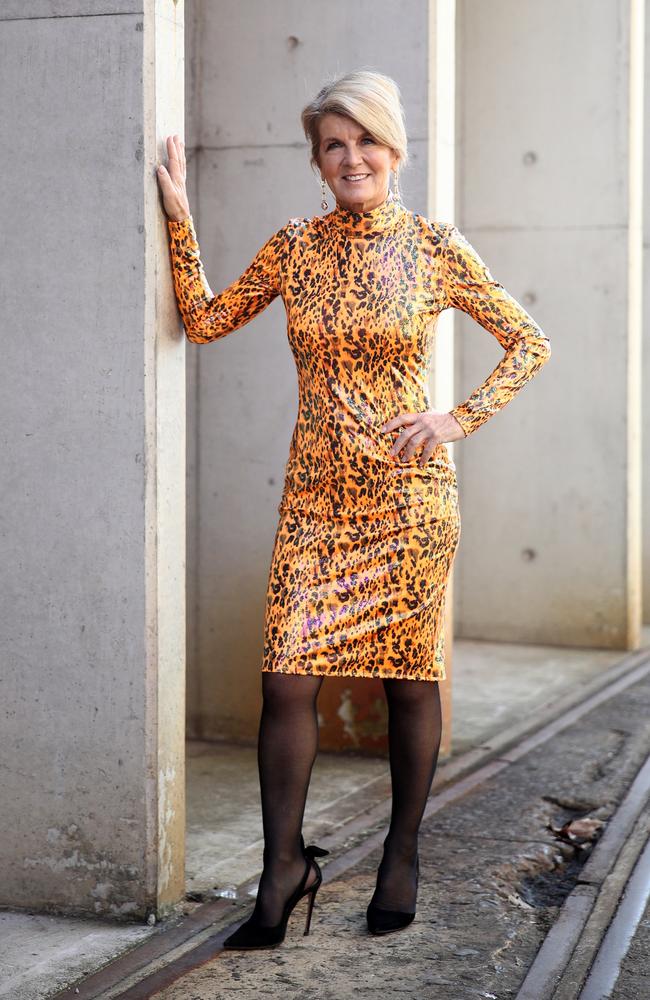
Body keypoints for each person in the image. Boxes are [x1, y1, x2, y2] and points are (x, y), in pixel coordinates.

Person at [156, 69, 551, 948]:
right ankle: (283, 867)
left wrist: (457, 417)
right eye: (333, 145)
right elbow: (207, 319)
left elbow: (530, 342)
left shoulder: (435, 247)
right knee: (285, 680)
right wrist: (179, 223)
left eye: (365, 140)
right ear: (316, 160)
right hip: (315, 501)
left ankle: (400, 854)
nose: (350, 157)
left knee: (407, 680)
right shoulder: (296, 245)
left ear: (394, 150)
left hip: (410, 503)